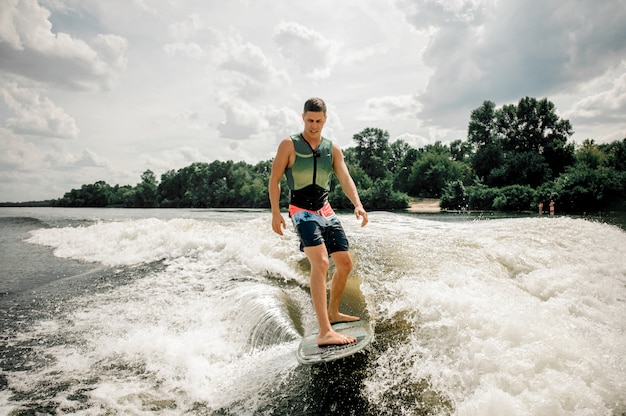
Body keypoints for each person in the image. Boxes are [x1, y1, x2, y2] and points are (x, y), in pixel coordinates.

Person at [269, 97, 368, 346]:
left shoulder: (332, 149)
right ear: (303, 118)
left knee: (344, 263)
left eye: (319, 121)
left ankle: (333, 313)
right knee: (321, 262)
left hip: (325, 210)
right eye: (310, 120)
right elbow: (274, 180)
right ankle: (324, 332)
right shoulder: (288, 145)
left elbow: (345, 178)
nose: (314, 125)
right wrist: (276, 213)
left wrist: (358, 204)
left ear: (325, 120)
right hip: (301, 210)